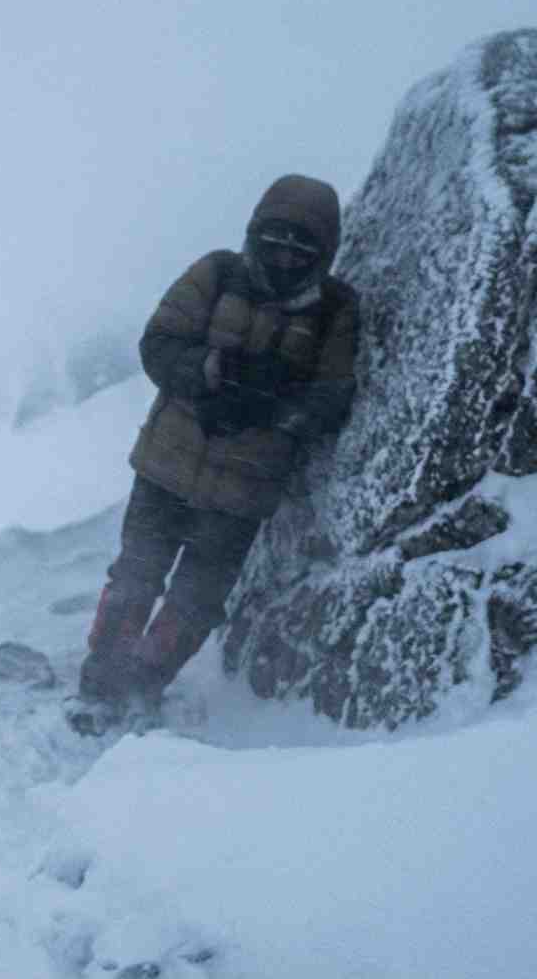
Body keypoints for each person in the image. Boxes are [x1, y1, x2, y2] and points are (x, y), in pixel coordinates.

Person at [76, 174, 358, 722]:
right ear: (256, 231)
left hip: (243, 491)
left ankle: (144, 686)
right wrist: (209, 373)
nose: (287, 252)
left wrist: (273, 406)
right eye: (277, 236)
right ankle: (99, 687)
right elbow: (158, 344)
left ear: (325, 252)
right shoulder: (216, 272)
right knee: (135, 575)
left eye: (305, 244)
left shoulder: (335, 310)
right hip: (166, 466)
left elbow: (333, 396)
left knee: (197, 600)